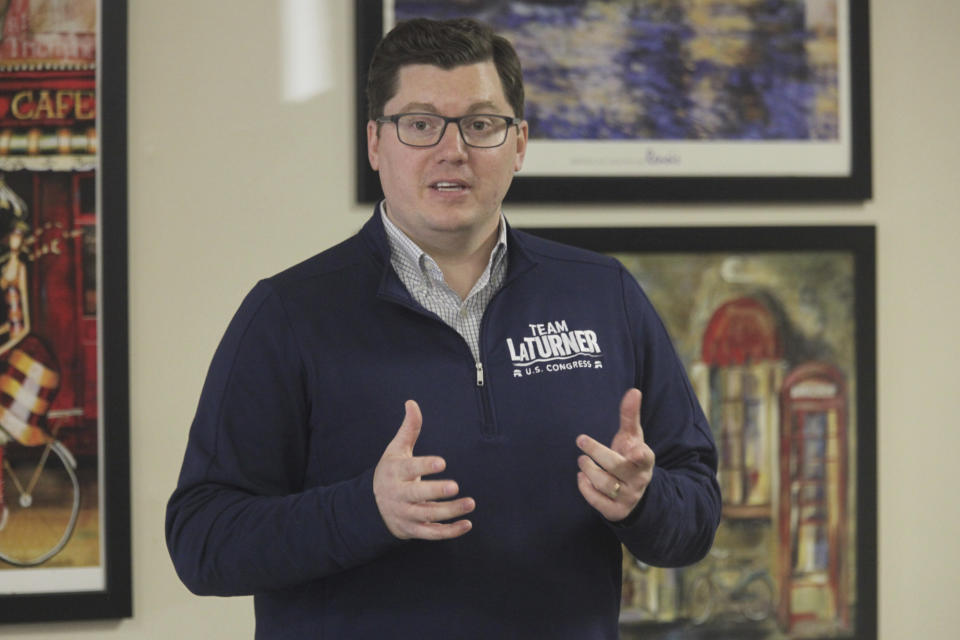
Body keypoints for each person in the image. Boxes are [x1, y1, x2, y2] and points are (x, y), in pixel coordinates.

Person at [166, 17, 720, 639]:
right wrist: (366, 510)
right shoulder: (287, 314)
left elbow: (696, 514)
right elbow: (202, 541)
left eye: (481, 124)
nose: (452, 150)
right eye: (420, 123)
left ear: (519, 143)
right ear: (376, 143)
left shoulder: (603, 294)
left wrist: (644, 503)